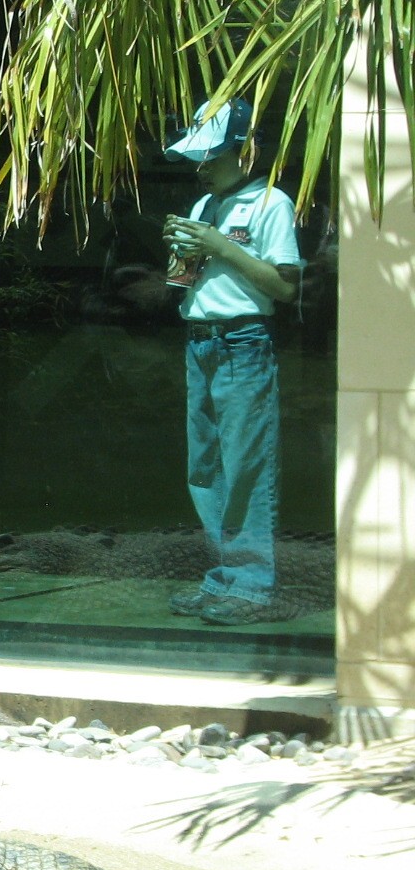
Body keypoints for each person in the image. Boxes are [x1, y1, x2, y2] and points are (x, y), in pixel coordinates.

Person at [162, 99, 303, 626]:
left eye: (210, 156)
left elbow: (284, 287)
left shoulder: (271, 203)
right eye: (197, 159)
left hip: (244, 342)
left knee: (246, 463)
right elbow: (183, 283)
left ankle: (250, 585)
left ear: (245, 152)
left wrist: (221, 246)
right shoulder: (202, 207)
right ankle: (223, 578)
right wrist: (182, 254)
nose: (200, 167)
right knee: (204, 468)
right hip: (199, 341)